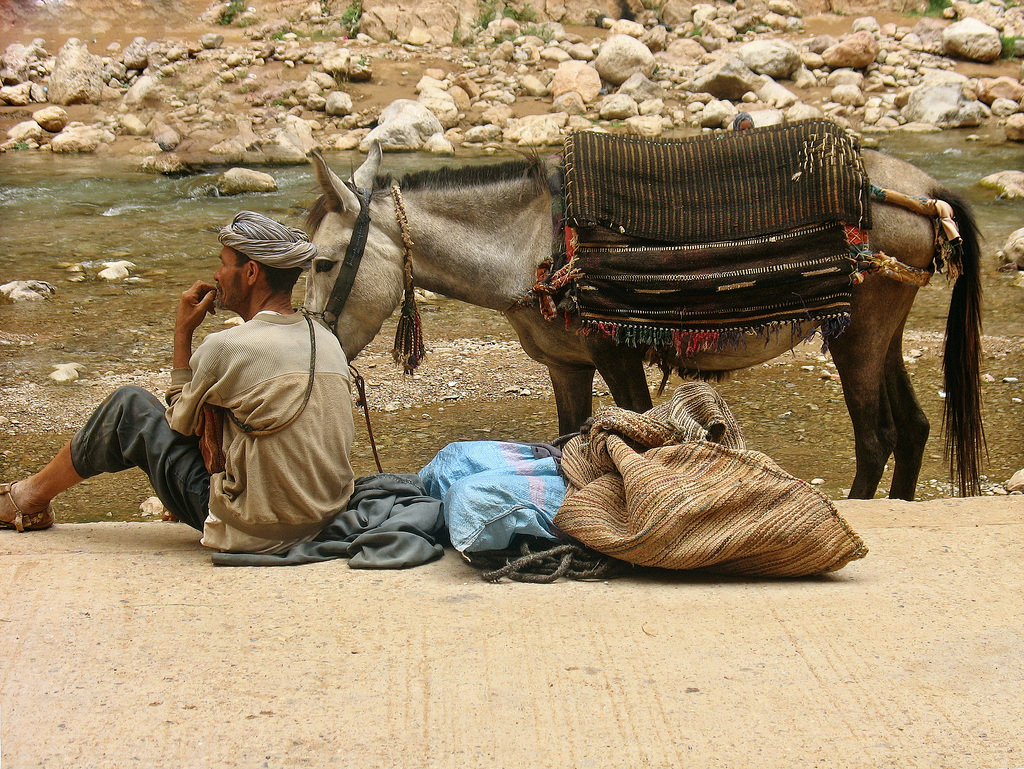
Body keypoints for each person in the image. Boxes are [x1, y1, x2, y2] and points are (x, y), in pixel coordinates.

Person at [0, 211, 355, 554]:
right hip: (324, 519)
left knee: (129, 407)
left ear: (250, 272)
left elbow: (179, 427)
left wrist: (182, 333)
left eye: (223, 263)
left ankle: (28, 497)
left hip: (255, 528)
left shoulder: (228, 346)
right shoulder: (324, 339)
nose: (216, 275)